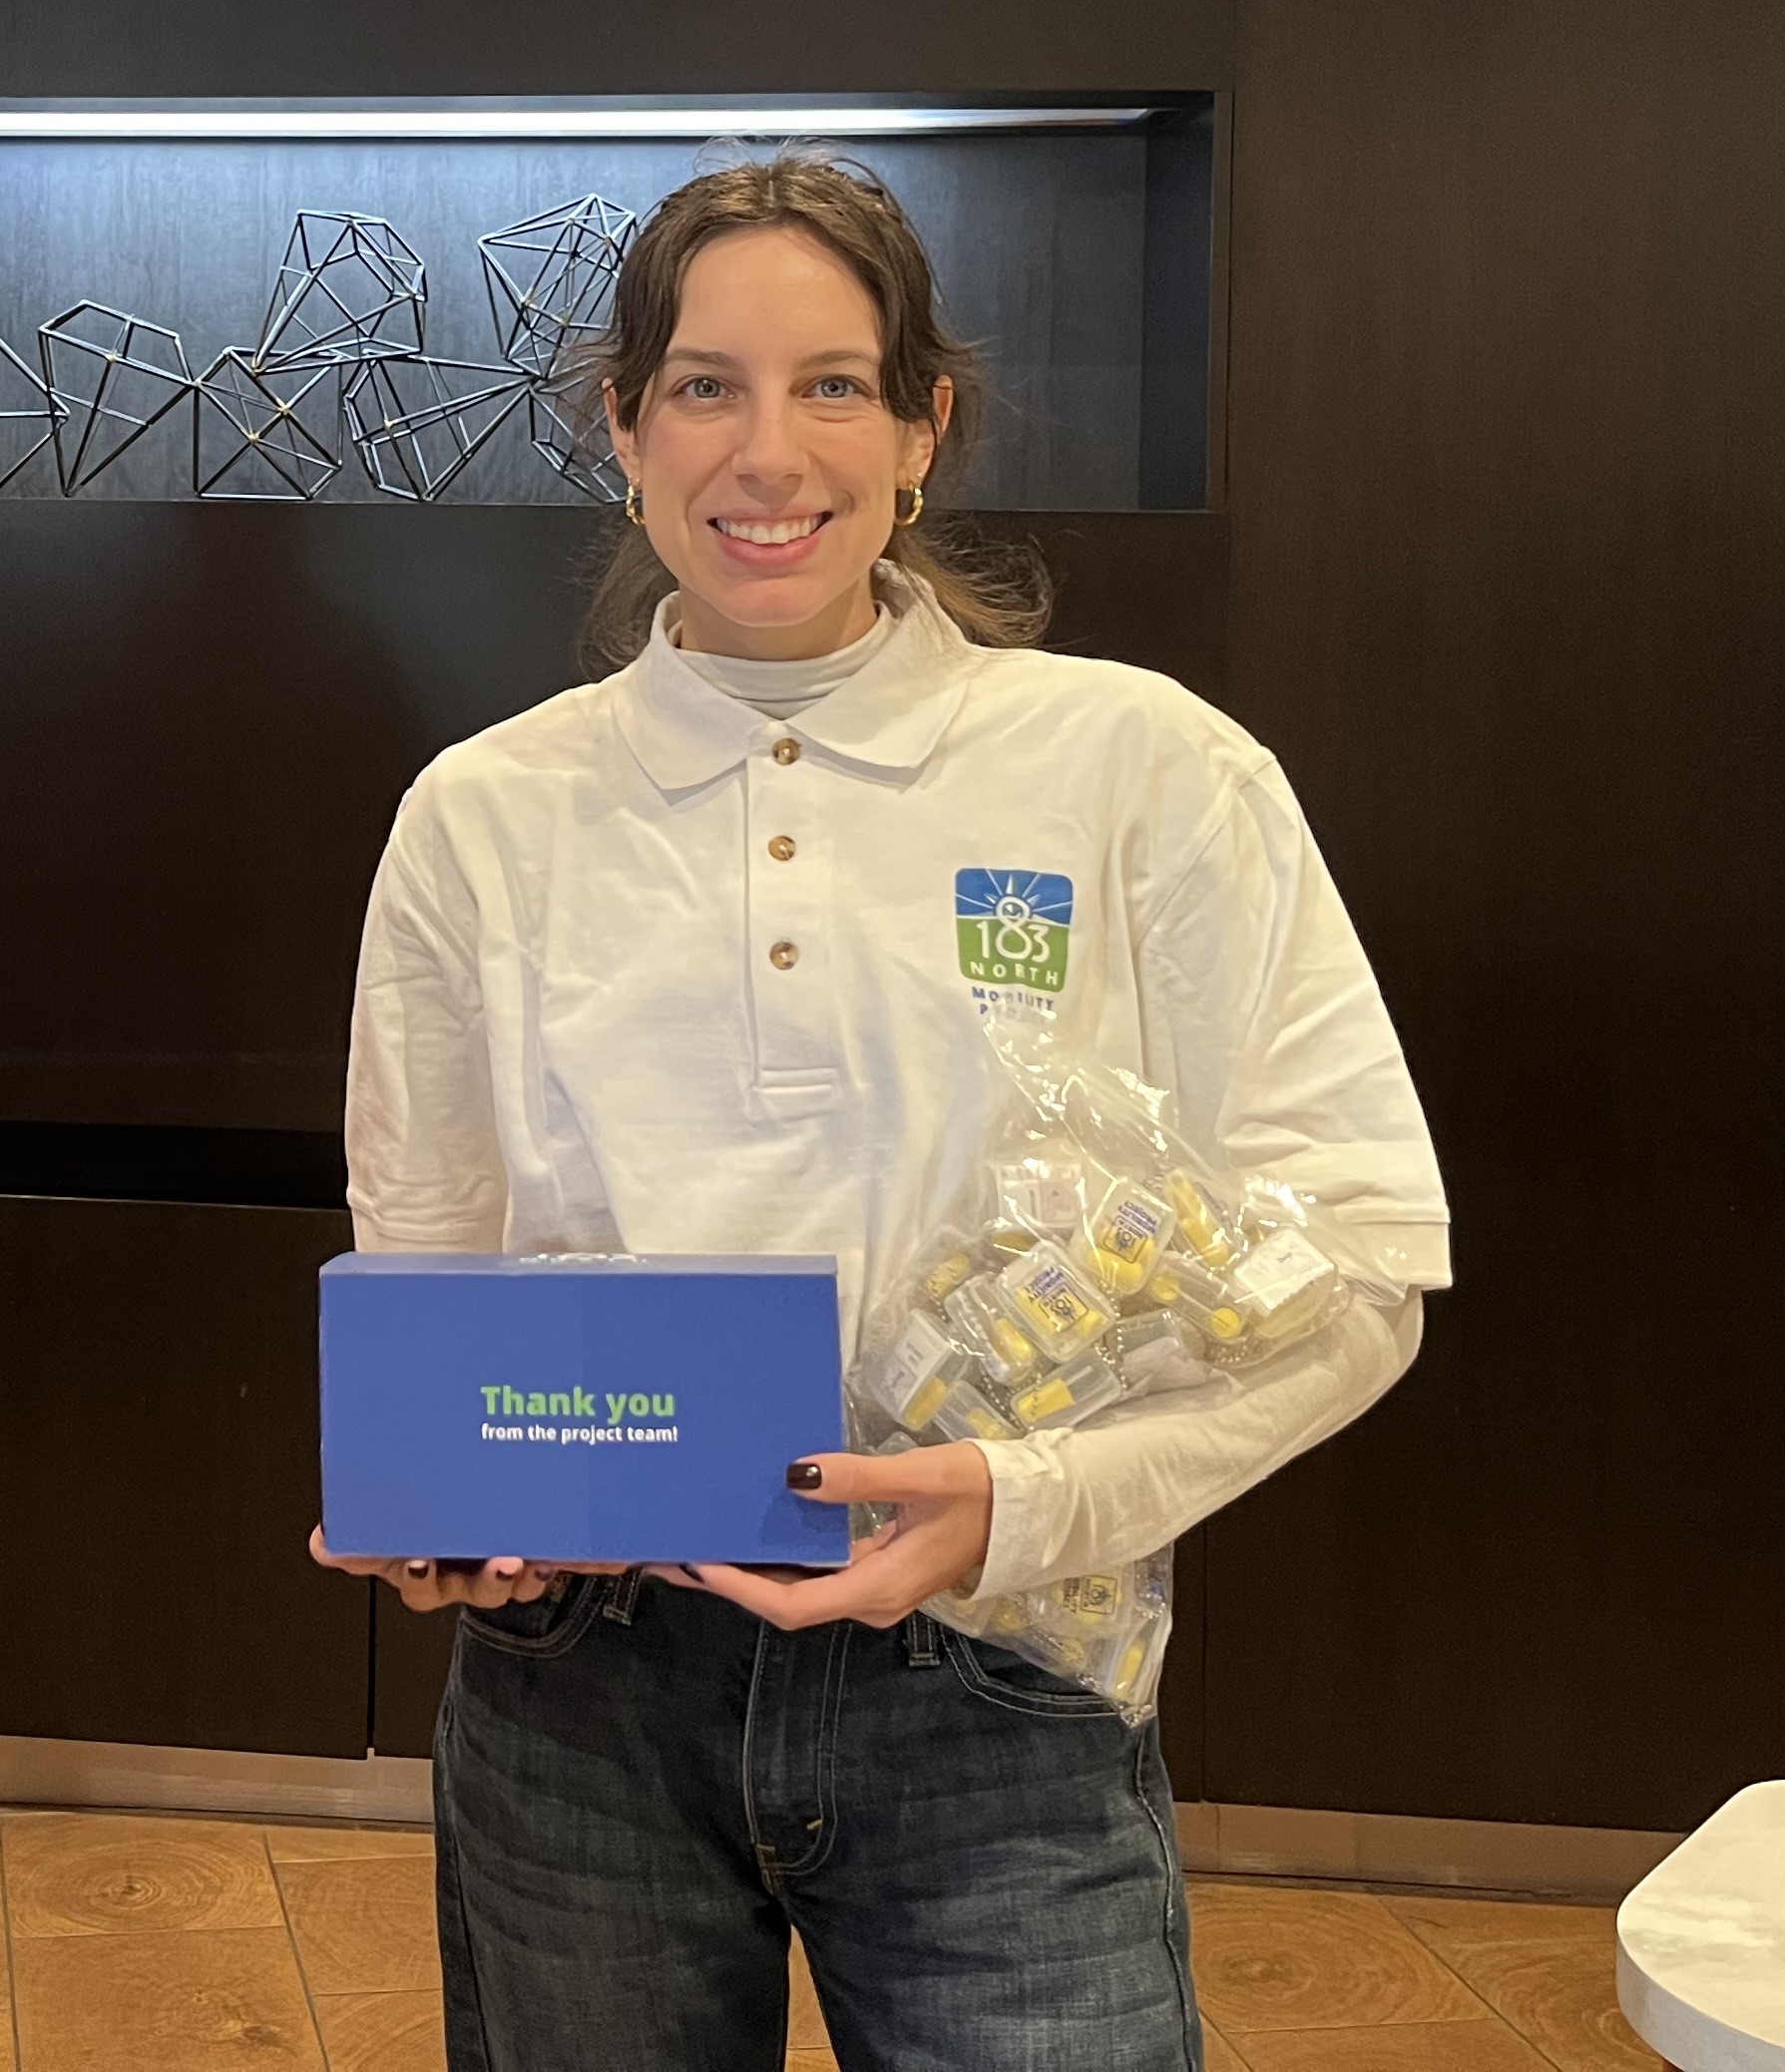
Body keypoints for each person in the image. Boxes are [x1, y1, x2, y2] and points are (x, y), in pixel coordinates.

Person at [326, 157, 1452, 2072]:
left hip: (1000, 1665)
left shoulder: (1141, 767)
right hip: (583, 1685)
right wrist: (446, 1505)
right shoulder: (485, 811)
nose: (767, 449)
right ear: (621, 424)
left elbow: (1361, 1257)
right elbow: (431, 1274)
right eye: (703, 383)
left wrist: (1030, 1502)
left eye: (834, 382)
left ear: (927, 424)